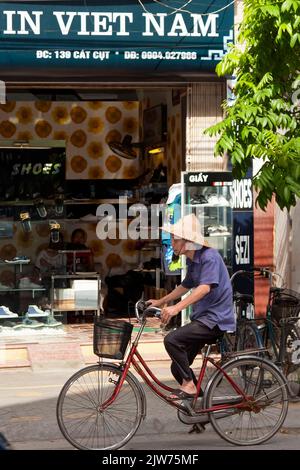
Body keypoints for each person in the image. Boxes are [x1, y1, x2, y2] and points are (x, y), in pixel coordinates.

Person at [147, 213, 235, 399]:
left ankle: (189, 386)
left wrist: (176, 308)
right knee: (177, 367)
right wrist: (162, 302)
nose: (172, 243)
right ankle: (201, 410)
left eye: (175, 239)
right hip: (203, 319)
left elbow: (203, 288)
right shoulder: (193, 259)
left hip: (215, 320)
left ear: (187, 240)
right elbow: (185, 285)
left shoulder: (209, 257)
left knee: (171, 340)